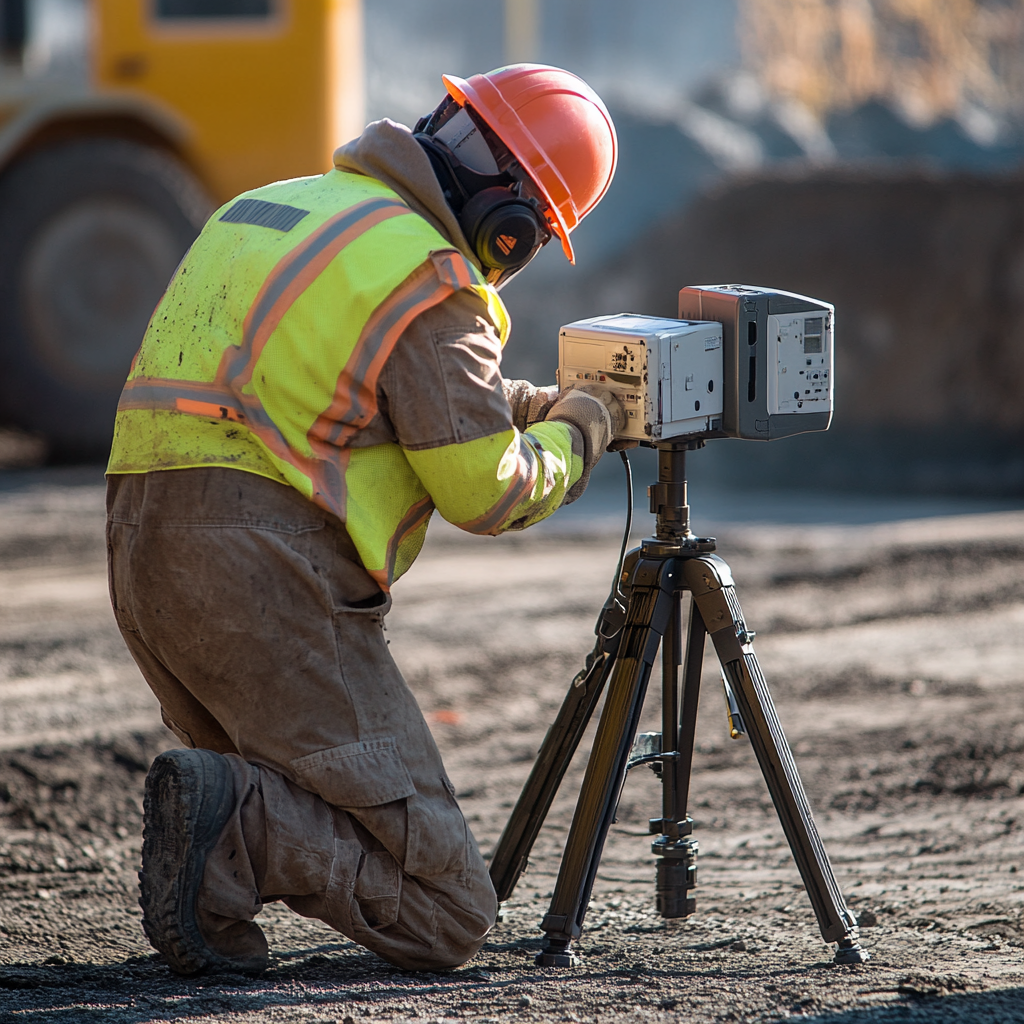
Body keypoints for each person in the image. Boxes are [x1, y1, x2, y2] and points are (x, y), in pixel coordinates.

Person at [105, 64, 621, 976]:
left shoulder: (283, 207)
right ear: (515, 226)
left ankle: (221, 870)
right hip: (265, 576)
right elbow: (488, 491)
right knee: (445, 912)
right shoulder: (430, 281)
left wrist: (526, 402)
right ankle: (239, 825)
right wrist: (580, 437)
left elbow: (366, 381)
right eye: (529, 239)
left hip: (144, 550)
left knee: (294, 787)